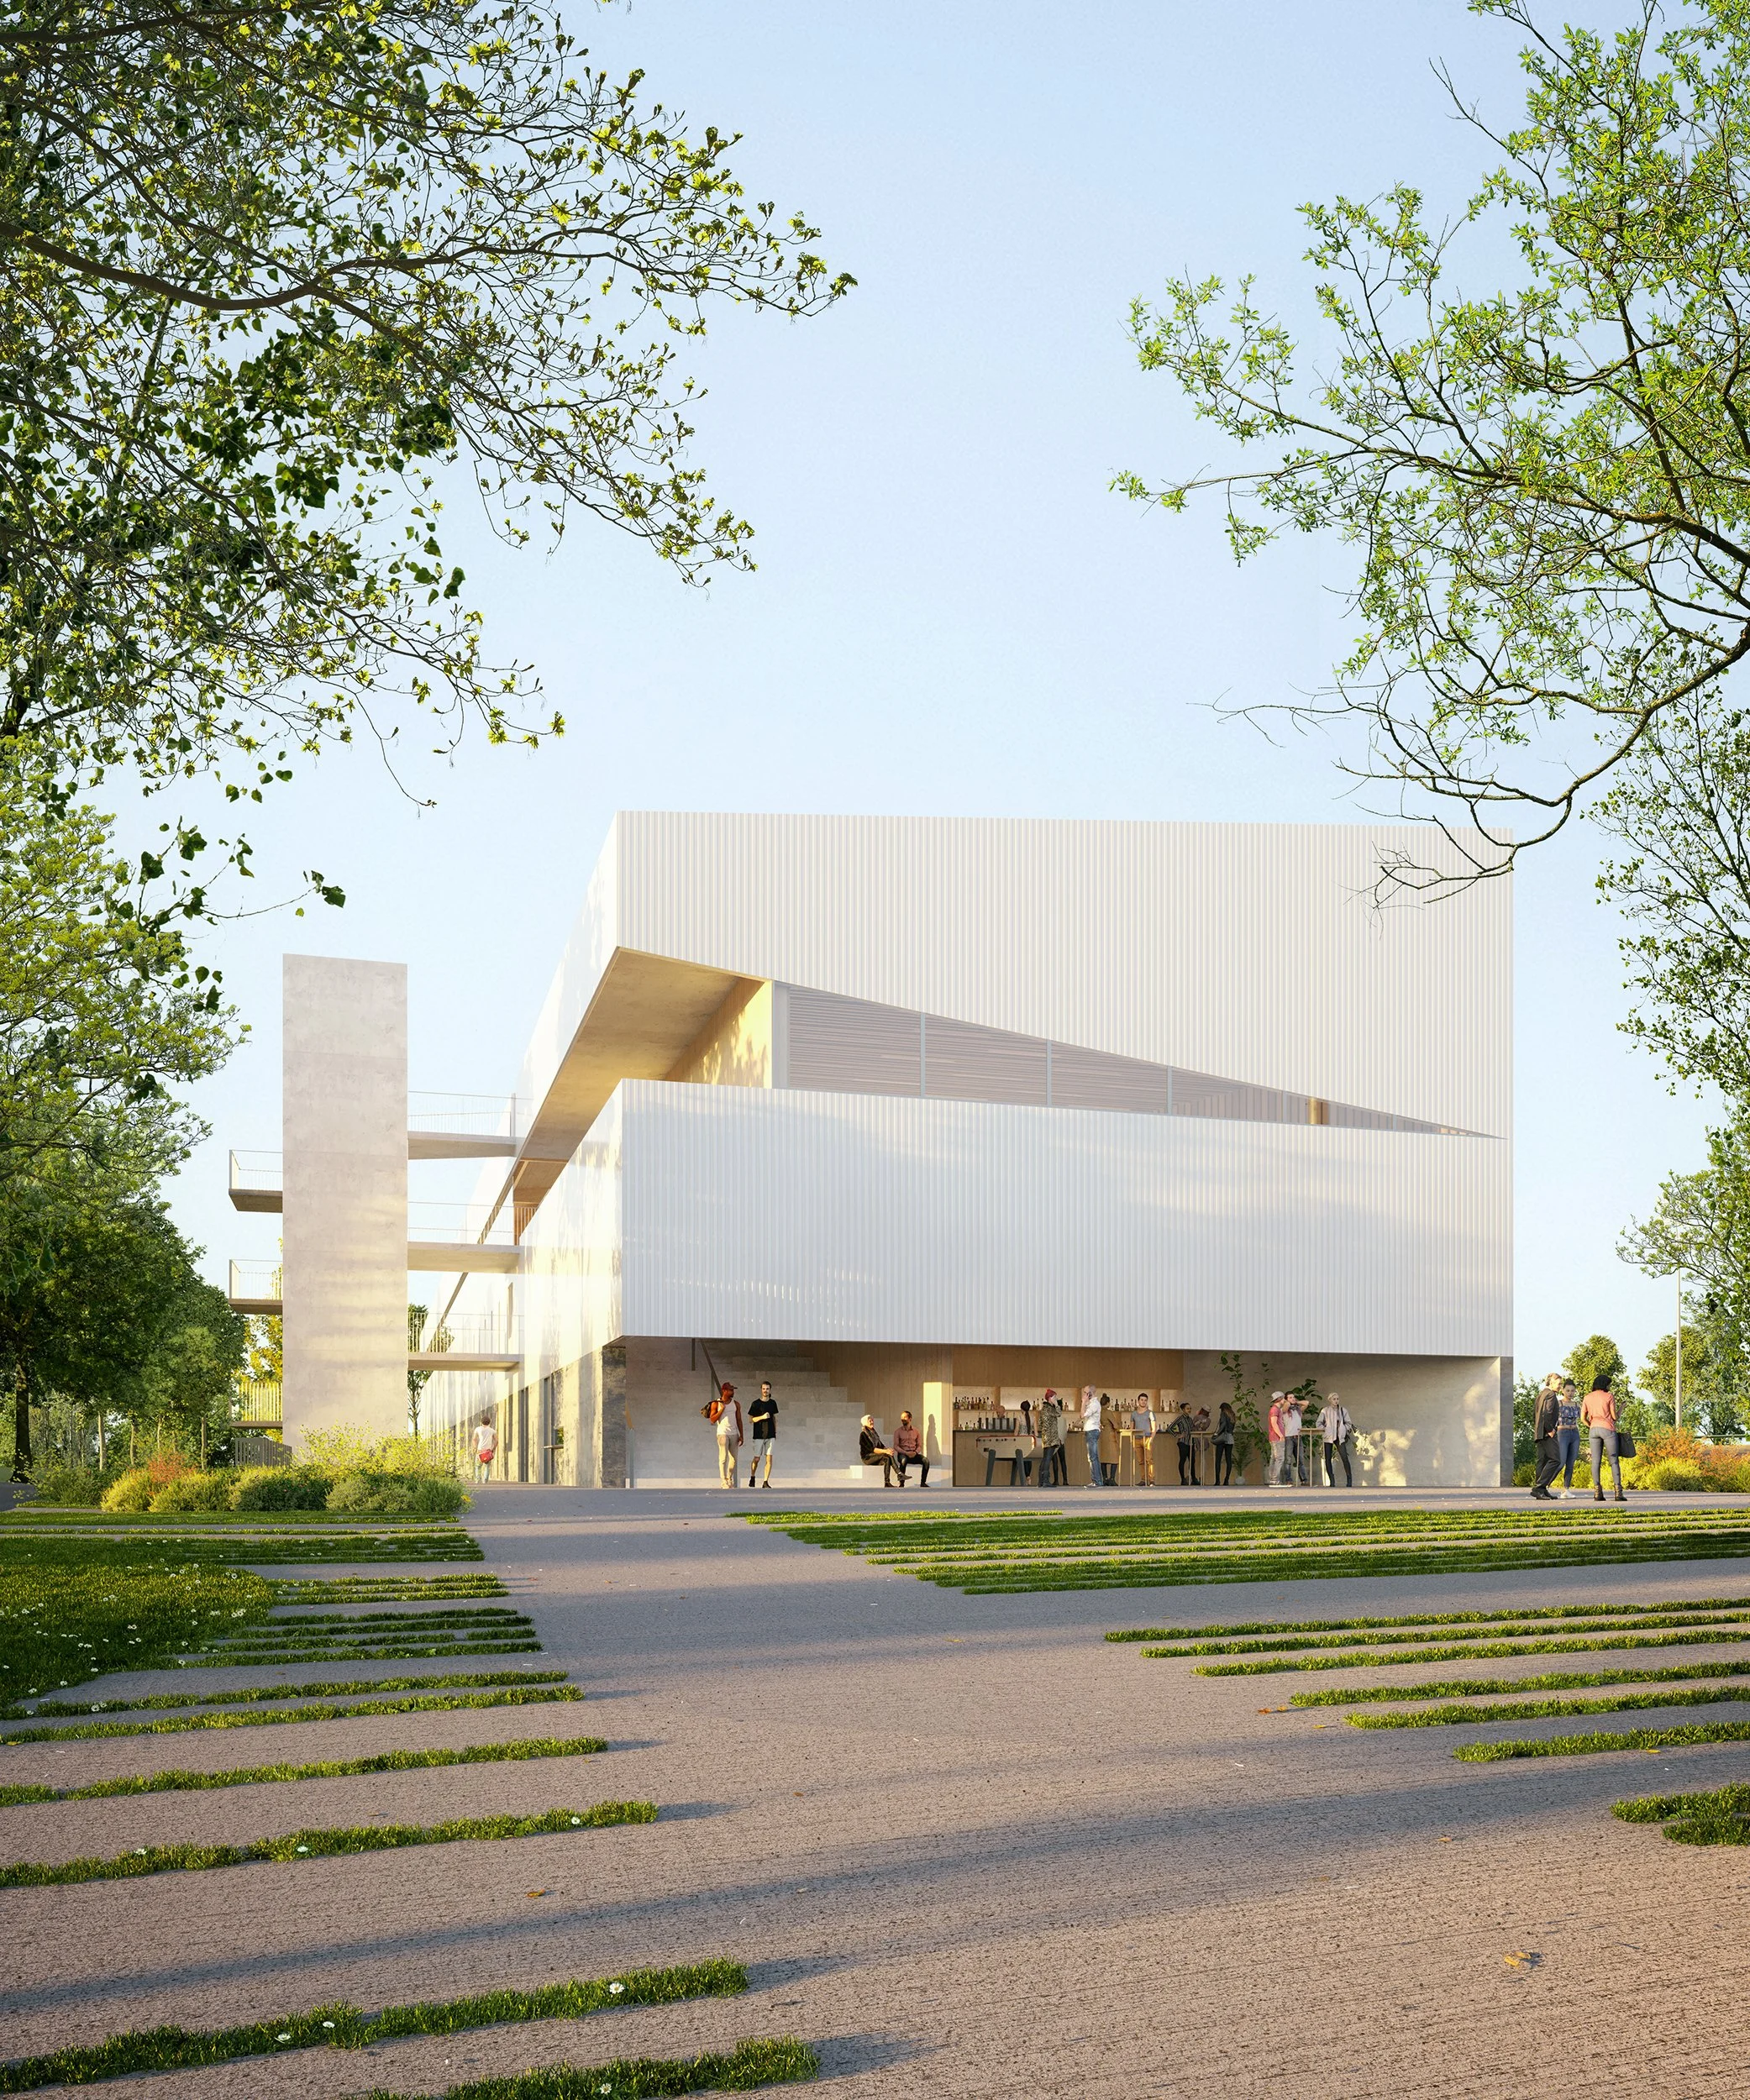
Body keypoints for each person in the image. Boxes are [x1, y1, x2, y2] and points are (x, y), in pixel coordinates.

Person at [1582, 1374, 1626, 1503]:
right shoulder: (1609, 1396)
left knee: (1595, 1462)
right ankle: (1618, 1493)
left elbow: (1582, 1418)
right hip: (1607, 1429)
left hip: (1593, 1429)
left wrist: (1592, 1425)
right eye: (1609, 1384)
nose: (1609, 1387)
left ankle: (1597, 1493)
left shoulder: (1587, 1397)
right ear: (1605, 1384)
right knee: (1613, 1461)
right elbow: (1615, 1417)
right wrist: (1622, 1407)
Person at [1529, 1373, 1563, 1502]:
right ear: (1551, 1382)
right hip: (1547, 1433)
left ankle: (1542, 1490)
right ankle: (1539, 1488)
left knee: (1542, 1461)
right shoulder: (1551, 1395)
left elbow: (1535, 1413)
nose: (1560, 1387)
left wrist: (1537, 1429)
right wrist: (1550, 1430)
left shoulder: (1540, 1394)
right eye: (1559, 1384)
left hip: (1539, 1432)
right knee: (1556, 1459)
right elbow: (1546, 1413)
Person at [710, 1383, 743, 1488]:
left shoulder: (736, 1404)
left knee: (734, 1459)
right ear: (724, 1391)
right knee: (723, 1457)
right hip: (722, 1433)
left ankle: (729, 1478)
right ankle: (723, 1480)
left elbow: (739, 1419)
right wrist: (722, 1410)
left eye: (733, 1390)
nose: (733, 1392)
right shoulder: (716, 1403)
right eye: (730, 1390)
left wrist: (741, 1434)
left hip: (734, 1433)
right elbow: (712, 1419)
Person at [1317, 1393, 1353, 1486]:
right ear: (1330, 1400)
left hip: (1339, 1437)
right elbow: (1319, 1423)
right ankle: (1332, 1481)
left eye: (1337, 1399)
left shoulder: (1343, 1410)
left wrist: (1344, 1429)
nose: (1336, 1400)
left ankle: (1349, 1480)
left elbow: (1349, 1423)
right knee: (1328, 1459)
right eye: (1334, 1399)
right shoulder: (1325, 1410)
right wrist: (1325, 1430)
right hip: (1328, 1436)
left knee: (1344, 1457)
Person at [747, 1380, 778, 1488]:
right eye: (764, 1389)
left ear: (770, 1390)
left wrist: (775, 1432)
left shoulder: (773, 1403)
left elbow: (774, 1418)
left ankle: (765, 1481)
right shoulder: (755, 1404)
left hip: (770, 1434)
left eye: (767, 1389)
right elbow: (751, 1420)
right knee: (757, 1458)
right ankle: (752, 1476)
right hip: (759, 1434)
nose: (765, 1391)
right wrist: (762, 1417)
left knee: (769, 1458)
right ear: (761, 1390)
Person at [1556, 1379, 1582, 1497]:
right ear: (1563, 1391)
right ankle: (1544, 1485)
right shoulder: (1559, 1404)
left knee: (1571, 1462)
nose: (1570, 1393)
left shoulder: (1577, 1405)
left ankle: (1566, 1489)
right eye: (1568, 1390)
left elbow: (1584, 1418)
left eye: (1572, 1391)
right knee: (1560, 1462)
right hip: (1562, 1432)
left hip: (1575, 1433)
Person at [859, 1412, 898, 1487]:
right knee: (886, 1454)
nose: (872, 1422)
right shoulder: (863, 1434)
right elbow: (872, 1449)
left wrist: (888, 1450)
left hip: (875, 1457)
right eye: (870, 1421)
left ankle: (887, 1482)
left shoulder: (874, 1433)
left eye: (872, 1420)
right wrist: (885, 1451)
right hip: (868, 1458)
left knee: (887, 1458)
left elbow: (881, 1445)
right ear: (865, 1423)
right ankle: (899, 1473)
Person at [893, 1409, 928, 1487]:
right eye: (901, 1418)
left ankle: (923, 1483)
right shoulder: (898, 1431)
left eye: (905, 1417)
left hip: (914, 1453)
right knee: (904, 1460)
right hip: (903, 1454)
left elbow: (919, 1445)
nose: (903, 1419)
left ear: (910, 1418)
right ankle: (901, 1484)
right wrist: (905, 1453)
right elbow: (896, 1446)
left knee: (926, 1461)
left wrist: (915, 1452)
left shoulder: (916, 1431)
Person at [1039, 1389, 1067, 1487]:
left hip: (1046, 1436)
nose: (1056, 1399)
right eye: (1055, 1397)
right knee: (1048, 1458)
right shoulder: (1050, 1409)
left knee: (1045, 1457)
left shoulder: (1043, 1409)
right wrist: (1057, 1405)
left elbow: (1040, 1424)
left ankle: (1041, 1480)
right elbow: (1058, 1413)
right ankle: (1045, 1480)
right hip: (1051, 1436)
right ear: (1050, 1398)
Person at [1168, 1397, 1197, 1485]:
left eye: (1190, 1409)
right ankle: (1183, 1479)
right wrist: (1178, 1435)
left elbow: (1192, 1431)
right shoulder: (1180, 1418)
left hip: (1190, 1442)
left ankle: (1194, 1479)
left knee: (1192, 1461)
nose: (1189, 1410)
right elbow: (1169, 1428)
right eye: (1187, 1409)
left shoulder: (1190, 1419)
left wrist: (1194, 1443)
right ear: (1183, 1410)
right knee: (1183, 1460)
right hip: (1183, 1442)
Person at [1131, 1393, 1155, 1486]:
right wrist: (1132, 1440)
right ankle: (1143, 1479)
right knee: (1140, 1461)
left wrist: (1151, 1439)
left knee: (1149, 1460)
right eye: (1142, 1400)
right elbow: (1132, 1428)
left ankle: (1151, 1479)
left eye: (1145, 1400)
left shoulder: (1150, 1413)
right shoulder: (1133, 1414)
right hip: (1137, 1438)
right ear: (1138, 1401)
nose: (1143, 1402)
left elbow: (1154, 1427)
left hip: (1147, 1437)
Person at [1080, 1385, 1103, 1487]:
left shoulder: (1094, 1404)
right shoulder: (1092, 1404)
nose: (1084, 1394)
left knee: (1092, 1457)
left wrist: (1083, 1402)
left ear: (1090, 1393)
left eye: (1085, 1392)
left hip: (1092, 1431)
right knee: (1094, 1457)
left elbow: (1082, 1415)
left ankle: (1096, 1481)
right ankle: (1097, 1480)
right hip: (1091, 1430)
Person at [1282, 1394, 1306, 1485]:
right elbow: (1285, 1407)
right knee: (1288, 1460)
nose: (1293, 1398)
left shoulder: (1298, 1410)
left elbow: (1306, 1403)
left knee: (1300, 1460)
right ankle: (1288, 1479)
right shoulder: (1285, 1410)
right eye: (1290, 1397)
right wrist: (1288, 1402)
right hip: (1289, 1437)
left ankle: (1304, 1479)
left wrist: (1296, 1402)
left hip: (1298, 1436)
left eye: (1293, 1397)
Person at [1213, 1400, 1237, 1486]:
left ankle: (1217, 1481)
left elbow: (1223, 1424)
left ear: (1222, 1408)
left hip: (1222, 1438)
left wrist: (1217, 1433)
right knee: (1228, 1460)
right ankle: (1226, 1480)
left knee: (1218, 1460)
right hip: (1230, 1438)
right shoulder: (1233, 1415)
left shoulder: (1223, 1413)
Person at [1266, 1393, 1287, 1485]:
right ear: (1279, 1399)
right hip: (1276, 1437)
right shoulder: (1275, 1410)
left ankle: (1272, 1479)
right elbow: (1274, 1423)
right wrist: (1281, 1435)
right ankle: (1274, 1479)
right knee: (1279, 1458)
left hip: (1274, 1437)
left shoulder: (1276, 1409)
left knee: (1274, 1458)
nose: (1284, 1400)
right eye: (1283, 1398)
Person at [471, 1412, 497, 1483]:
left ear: (481, 1422)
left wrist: (475, 1448)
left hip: (480, 1450)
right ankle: (485, 1480)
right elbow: (496, 1441)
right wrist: (493, 1448)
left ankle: (477, 1480)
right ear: (489, 1422)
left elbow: (474, 1439)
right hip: (488, 1451)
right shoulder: (492, 1431)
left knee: (478, 1466)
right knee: (487, 1466)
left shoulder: (478, 1429)